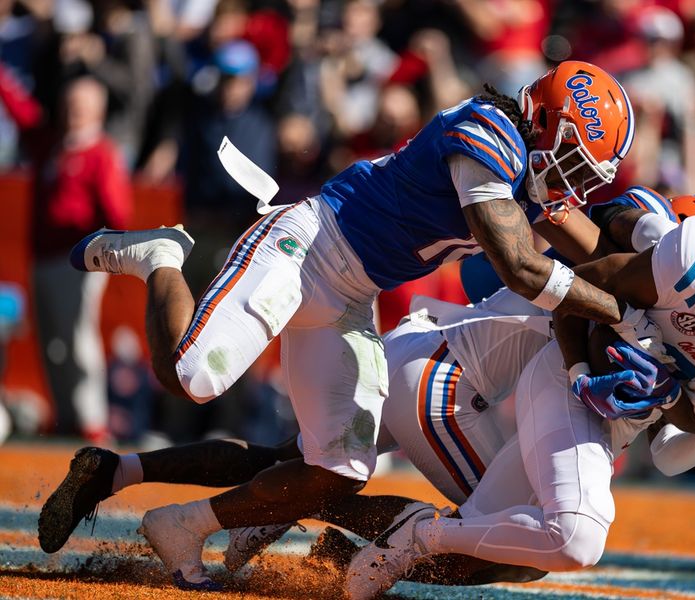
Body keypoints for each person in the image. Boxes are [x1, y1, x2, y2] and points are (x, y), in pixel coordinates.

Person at [41, 61, 635, 589]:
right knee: (192, 376)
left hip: (351, 293)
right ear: (548, 124)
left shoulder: (526, 175)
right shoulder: (489, 131)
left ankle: (181, 522)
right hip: (306, 247)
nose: (576, 181)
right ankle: (161, 258)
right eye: (577, 160)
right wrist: (618, 311)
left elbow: (600, 248)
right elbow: (520, 264)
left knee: (337, 468)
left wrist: (670, 260)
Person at [345, 188, 695, 599]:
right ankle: (418, 535)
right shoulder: (694, 259)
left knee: (492, 544)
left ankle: (359, 554)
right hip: (563, 381)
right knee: (576, 536)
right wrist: (581, 372)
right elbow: (571, 295)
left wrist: (664, 395)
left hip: (614, 419)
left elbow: (687, 437)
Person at [0, 70, 133, 441]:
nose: (72, 112)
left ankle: (92, 420)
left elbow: (117, 212)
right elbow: (21, 111)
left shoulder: (101, 154)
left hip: (79, 261)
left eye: (81, 106)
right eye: (69, 105)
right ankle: (66, 416)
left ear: (98, 111)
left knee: (78, 338)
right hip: (42, 257)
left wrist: (104, 254)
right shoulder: (52, 144)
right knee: (50, 342)